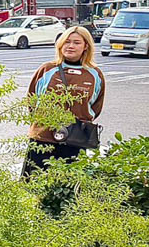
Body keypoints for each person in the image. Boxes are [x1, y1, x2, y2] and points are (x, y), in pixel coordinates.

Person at [23, 25, 105, 176]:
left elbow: (96, 106)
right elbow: (32, 100)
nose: (71, 46)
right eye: (67, 42)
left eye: (76, 42)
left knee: (68, 189)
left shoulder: (94, 74)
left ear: (86, 46)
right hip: (43, 138)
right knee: (34, 185)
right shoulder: (47, 69)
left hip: (75, 140)